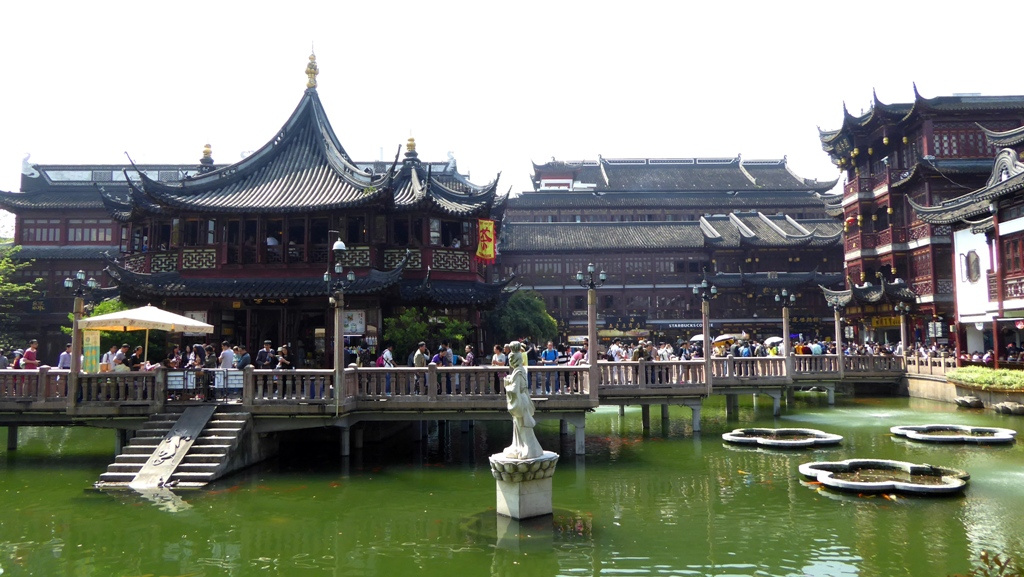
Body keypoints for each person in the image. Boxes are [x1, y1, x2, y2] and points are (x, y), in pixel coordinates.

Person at [502, 341, 543, 460]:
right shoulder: (521, 370)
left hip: (520, 400)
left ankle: (529, 449)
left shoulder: (517, 372)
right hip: (523, 398)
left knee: (523, 425)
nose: (509, 361)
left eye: (510, 359)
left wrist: (506, 385)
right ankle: (518, 446)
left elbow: (514, 389)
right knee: (519, 425)